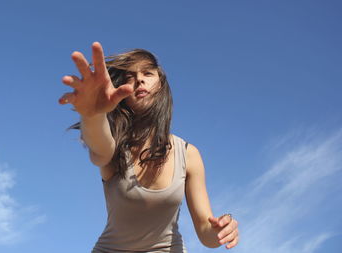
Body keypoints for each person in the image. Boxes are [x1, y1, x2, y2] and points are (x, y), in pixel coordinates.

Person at [59, 42, 239, 252]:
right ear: (123, 92)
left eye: (147, 73)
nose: (139, 80)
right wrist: (92, 114)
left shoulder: (188, 154)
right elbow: (99, 149)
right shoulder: (116, 144)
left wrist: (220, 231)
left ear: (160, 83)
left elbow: (205, 232)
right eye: (129, 77)